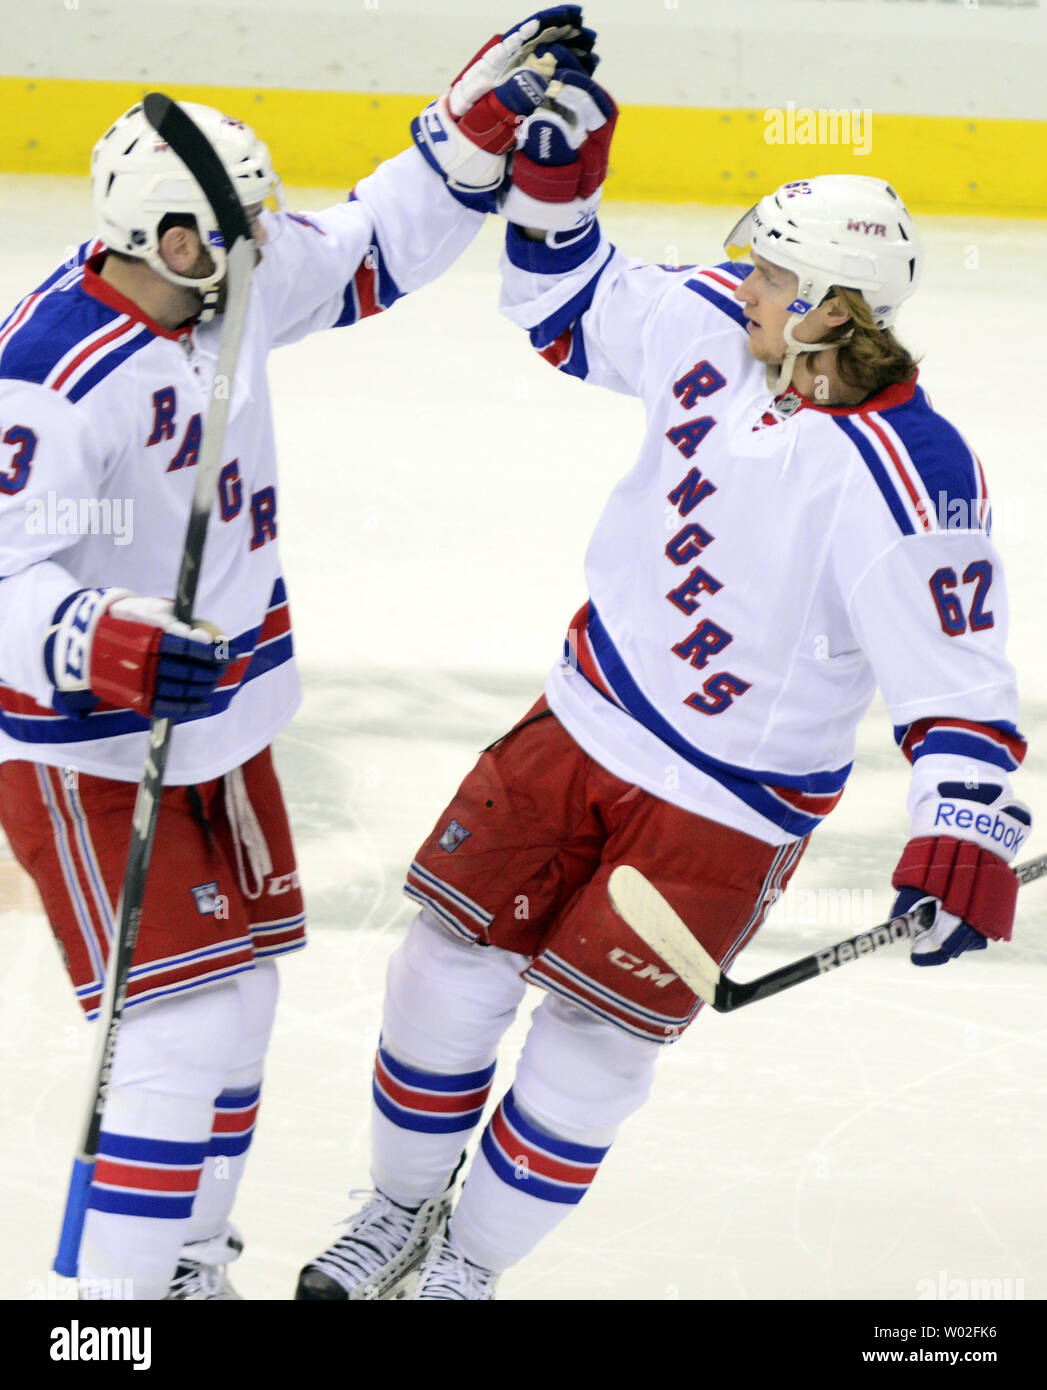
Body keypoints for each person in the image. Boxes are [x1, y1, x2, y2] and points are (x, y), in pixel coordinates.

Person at [296, 68, 1031, 1301]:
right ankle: (396, 1211)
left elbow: (956, 680)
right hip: (579, 722)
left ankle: (464, 1267)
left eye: (777, 277)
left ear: (839, 311)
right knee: (440, 968)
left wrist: (960, 826)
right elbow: (565, 308)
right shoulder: (708, 323)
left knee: (589, 1049)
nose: (747, 283)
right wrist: (556, 192)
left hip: (725, 810)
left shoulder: (911, 472)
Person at [0, 7, 597, 1300]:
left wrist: (468, 135)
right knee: (182, 1023)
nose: (270, 237)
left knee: (244, 1005)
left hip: (217, 726)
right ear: (169, 237)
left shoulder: (219, 281)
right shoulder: (50, 373)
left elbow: (369, 242)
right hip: (92, 751)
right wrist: (87, 636)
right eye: (243, 221)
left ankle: (184, 1270)